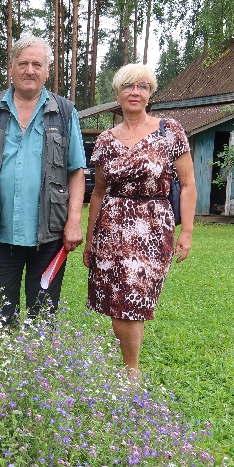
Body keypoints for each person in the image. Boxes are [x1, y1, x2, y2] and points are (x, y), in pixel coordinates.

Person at [0, 36, 86, 325]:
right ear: (12, 68)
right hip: (0, 234)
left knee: (43, 318)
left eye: (37, 64)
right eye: (24, 63)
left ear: (47, 70)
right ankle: (1, 370)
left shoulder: (65, 112)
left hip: (51, 235)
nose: (30, 70)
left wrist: (74, 221)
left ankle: (38, 368)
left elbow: (76, 169)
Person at [83, 63, 197, 375]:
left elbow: (187, 185)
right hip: (112, 226)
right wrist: (91, 240)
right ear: (117, 93)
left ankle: (130, 372)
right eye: (129, 87)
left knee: (134, 299)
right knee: (118, 300)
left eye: (143, 87)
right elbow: (98, 192)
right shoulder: (106, 140)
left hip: (153, 227)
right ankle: (127, 364)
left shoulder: (169, 131)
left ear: (150, 94)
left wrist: (186, 230)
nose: (135, 92)